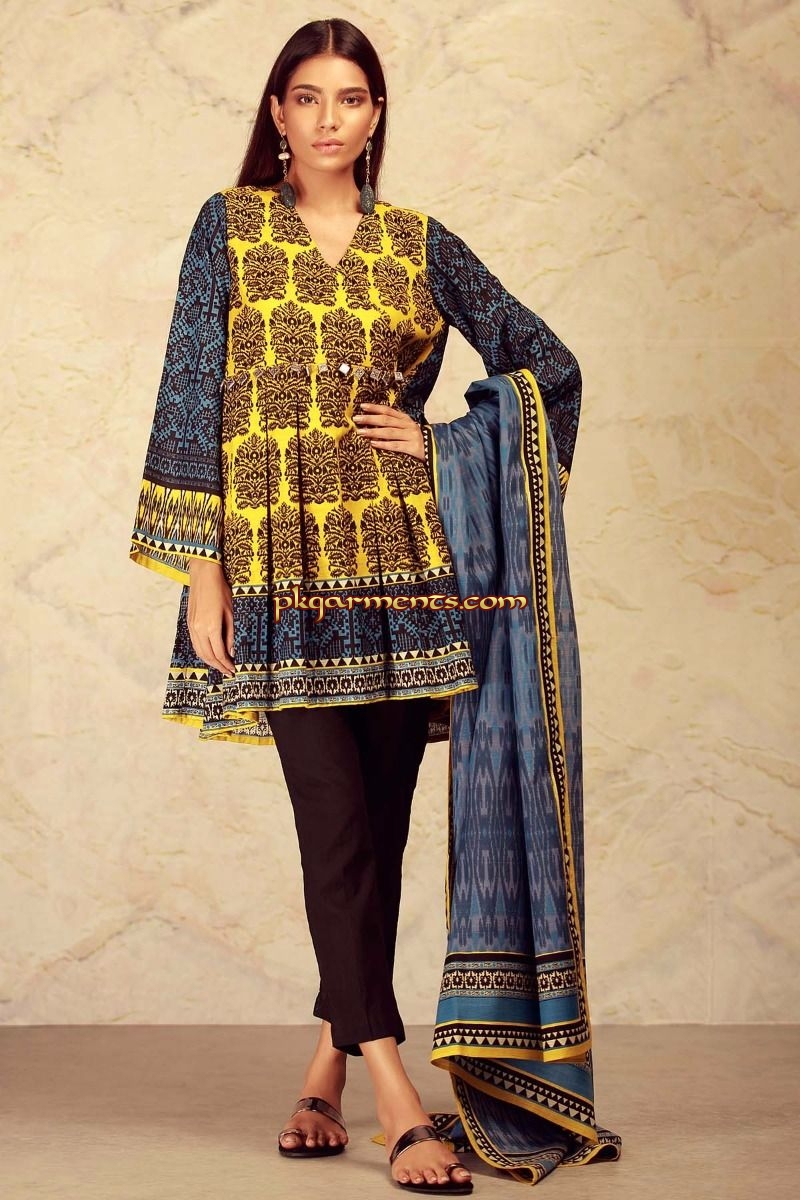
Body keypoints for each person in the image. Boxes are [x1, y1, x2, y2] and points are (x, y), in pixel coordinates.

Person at [129, 16, 619, 1194]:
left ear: (375, 115)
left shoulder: (416, 244)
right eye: (306, 97)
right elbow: (191, 391)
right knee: (335, 831)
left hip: (400, 571)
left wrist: (442, 442)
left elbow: (545, 366)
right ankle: (396, 1097)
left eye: (349, 98)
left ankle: (323, 1070)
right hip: (277, 570)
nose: (328, 118)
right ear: (277, 114)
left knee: (377, 836)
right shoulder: (229, 228)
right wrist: (201, 568)